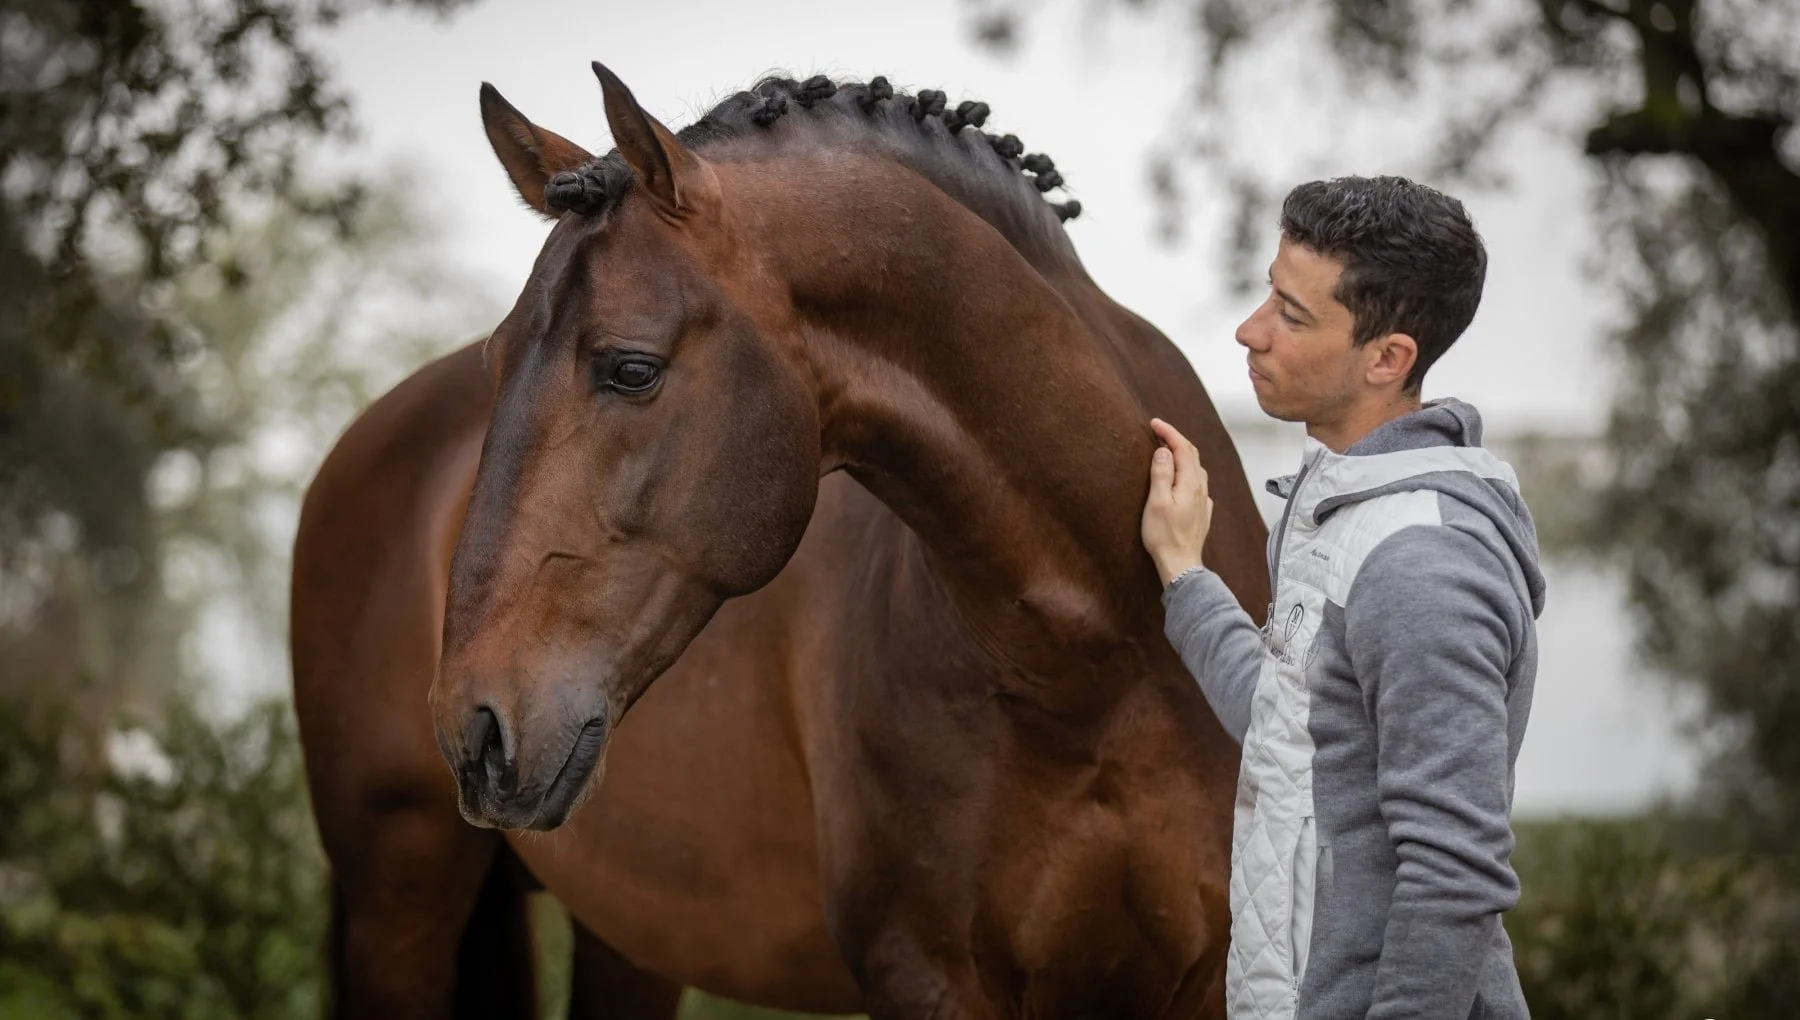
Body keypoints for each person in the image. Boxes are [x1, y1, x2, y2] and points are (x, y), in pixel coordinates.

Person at [1141, 175, 1546, 1019]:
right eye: (1267, 294)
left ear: (1387, 358)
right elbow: (1293, 732)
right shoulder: (1339, 504)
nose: (1250, 332)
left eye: (1292, 315)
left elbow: (1456, 871)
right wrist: (1186, 576)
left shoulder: (1420, 565)